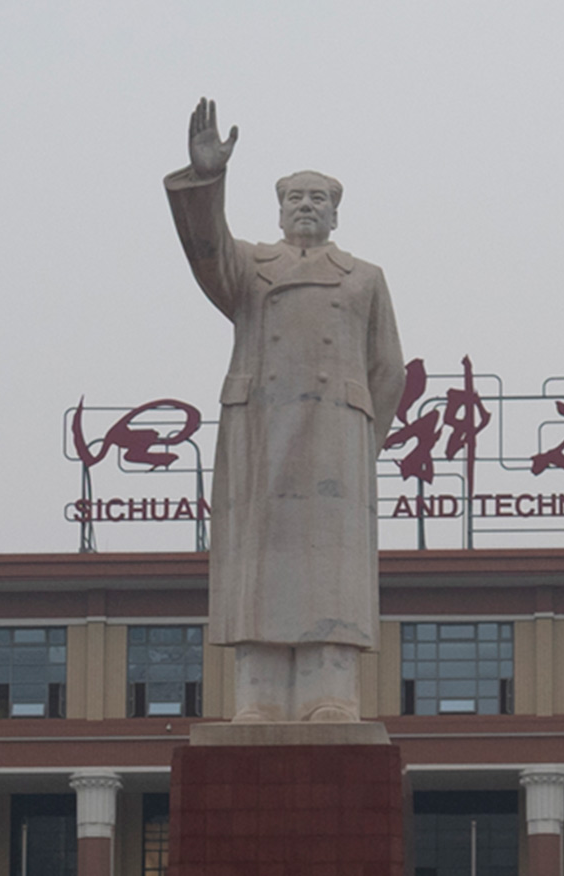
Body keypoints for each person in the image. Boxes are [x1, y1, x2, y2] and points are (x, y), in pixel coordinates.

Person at [164, 98, 404, 723]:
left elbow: (389, 368)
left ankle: (332, 692)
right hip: (262, 429)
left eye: (317, 198)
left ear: (335, 212)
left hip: (335, 437)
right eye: (295, 197)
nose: (305, 206)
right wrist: (207, 179)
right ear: (277, 209)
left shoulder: (364, 277)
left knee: (331, 566)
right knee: (260, 562)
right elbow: (206, 252)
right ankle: (260, 695)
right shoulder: (253, 269)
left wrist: (360, 441)